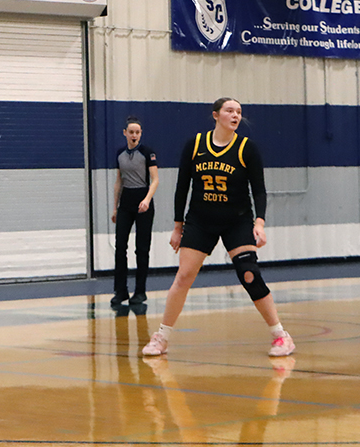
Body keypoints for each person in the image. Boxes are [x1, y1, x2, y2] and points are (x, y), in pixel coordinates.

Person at [142, 98, 295, 358]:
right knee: (184, 276)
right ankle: (161, 337)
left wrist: (260, 222)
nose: (235, 115)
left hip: (237, 220)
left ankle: (281, 335)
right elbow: (182, 188)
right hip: (201, 220)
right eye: (229, 111)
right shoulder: (195, 145)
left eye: (239, 112)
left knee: (249, 274)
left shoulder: (247, 148)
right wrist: (178, 226)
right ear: (216, 115)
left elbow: (259, 189)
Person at [110, 116, 159, 306]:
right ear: (125, 133)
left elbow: (155, 179)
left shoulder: (148, 153)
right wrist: (115, 207)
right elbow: (118, 182)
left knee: (142, 249)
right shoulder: (120, 154)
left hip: (143, 201)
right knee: (120, 246)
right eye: (131, 132)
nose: (134, 135)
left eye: (137, 132)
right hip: (126, 202)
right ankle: (120, 291)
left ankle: (140, 291)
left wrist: (146, 199)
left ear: (140, 134)